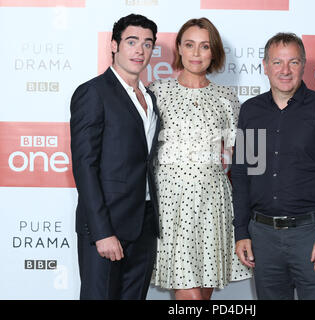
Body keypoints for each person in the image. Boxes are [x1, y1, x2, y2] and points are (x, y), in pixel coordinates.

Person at [231, 32, 315, 300]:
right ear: (265, 66)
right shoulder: (251, 111)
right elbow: (243, 174)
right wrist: (241, 231)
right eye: (277, 62)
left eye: (293, 62)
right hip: (262, 237)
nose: (285, 70)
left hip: (311, 237)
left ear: (303, 65)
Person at [148, 17, 251, 300]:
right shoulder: (156, 92)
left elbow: (246, 158)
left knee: (202, 296)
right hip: (171, 203)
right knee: (191, 296)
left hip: (212, 202)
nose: (196, 53)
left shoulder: (226, 97)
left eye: (204, 46)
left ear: (213, 52)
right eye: (189, 45)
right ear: (179, 48)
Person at [70, 14, 160, 300]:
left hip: (144, 224)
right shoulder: (93, 93)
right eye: (131, 42)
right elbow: (85, 166)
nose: (139, 51)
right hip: (107, 225)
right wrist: (102, 232)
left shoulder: (149, 97)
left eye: (147, 44)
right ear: (113, 45)